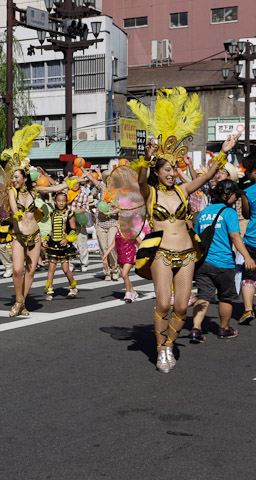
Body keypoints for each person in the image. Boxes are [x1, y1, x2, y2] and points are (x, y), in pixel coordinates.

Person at [129, 87, 240, 373]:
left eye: (172, 168)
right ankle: (159, 348)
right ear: (157, 170)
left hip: (187, 253)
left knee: (181, 308)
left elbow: (205, 177)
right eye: (164, 168)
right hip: (161, 254)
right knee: (163, 304)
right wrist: (146, 157)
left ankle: (168, 344)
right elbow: (140, 180)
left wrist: (223, 154)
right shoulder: (150, 193)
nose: (169, 172)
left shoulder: (182, 189)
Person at [2, 125, 68, 317]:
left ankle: (21, 302)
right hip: (18, 235)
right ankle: (19, 300)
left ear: (24, 177)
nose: (13, 180)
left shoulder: (34, 191)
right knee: (16, 270)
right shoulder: (11, 192)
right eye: (12, 177)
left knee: (30, 271)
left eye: (16, 177)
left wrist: (73, 182)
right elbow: (14, 207)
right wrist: (16, 215)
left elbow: (55, 190)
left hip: (35, 235)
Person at [190, 179, 255, 343]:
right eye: (235, 195)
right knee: (226, 298)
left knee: (203, 296)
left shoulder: (203, 213)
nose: (237, 198)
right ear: (226, 195)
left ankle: (195, 329)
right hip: (223, 262)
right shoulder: (229, 212)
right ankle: (224, 328)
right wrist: (247, 256)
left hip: (203, 263)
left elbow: (196, 237)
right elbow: (235, 236)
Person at [43, 191, 79, 301]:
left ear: (66, 202)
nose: (61, 203)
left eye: (63, 201)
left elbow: (73, 230)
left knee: (65, 269)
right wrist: (46, 239)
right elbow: (52, 230)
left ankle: (73, 287)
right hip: (53, 243)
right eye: (59, 201)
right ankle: (50, 290)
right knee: (51, 267)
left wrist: (67, 239)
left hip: (64, 245)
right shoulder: (52, 213)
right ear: (55, 201)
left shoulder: (70, 213)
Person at [102, 230, 140, 303]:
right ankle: (133, 292)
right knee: (125, 276)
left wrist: (137, 254)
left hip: (130, 255)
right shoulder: (118, 233)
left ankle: (128, 293)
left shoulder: (133, 232)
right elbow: (113, 244)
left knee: (124, 274)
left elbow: (141, 243)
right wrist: (106, 254)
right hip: (120, 256)